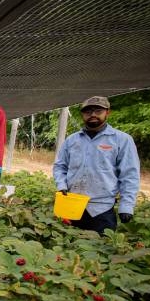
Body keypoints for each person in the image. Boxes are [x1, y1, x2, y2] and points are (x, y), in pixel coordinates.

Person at [53, 96, 140, 234]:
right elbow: (60, 166)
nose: (92, 115)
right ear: (82, 114)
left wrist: (126, 206)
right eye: (88, 112)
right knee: (67, 249)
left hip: (102, 210)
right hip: (71, 207)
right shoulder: (72, 140)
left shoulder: (121, 140)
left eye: (98, 111)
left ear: (107, 112)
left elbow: (129, 175)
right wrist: (61, 185)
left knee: (100, 251)